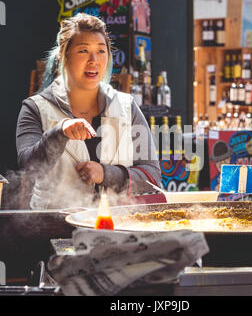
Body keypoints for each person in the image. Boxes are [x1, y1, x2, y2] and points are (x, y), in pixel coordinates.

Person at [16, 13, 161, 210]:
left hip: (118, 226)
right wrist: (59, 133)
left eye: (101, 51)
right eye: (83, 50)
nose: (94, 60)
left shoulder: (127, 107)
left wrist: (106, 174)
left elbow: (152, 176)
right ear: (62, 56)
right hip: (54, 226)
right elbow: (28, 168)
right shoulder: (35, 108)